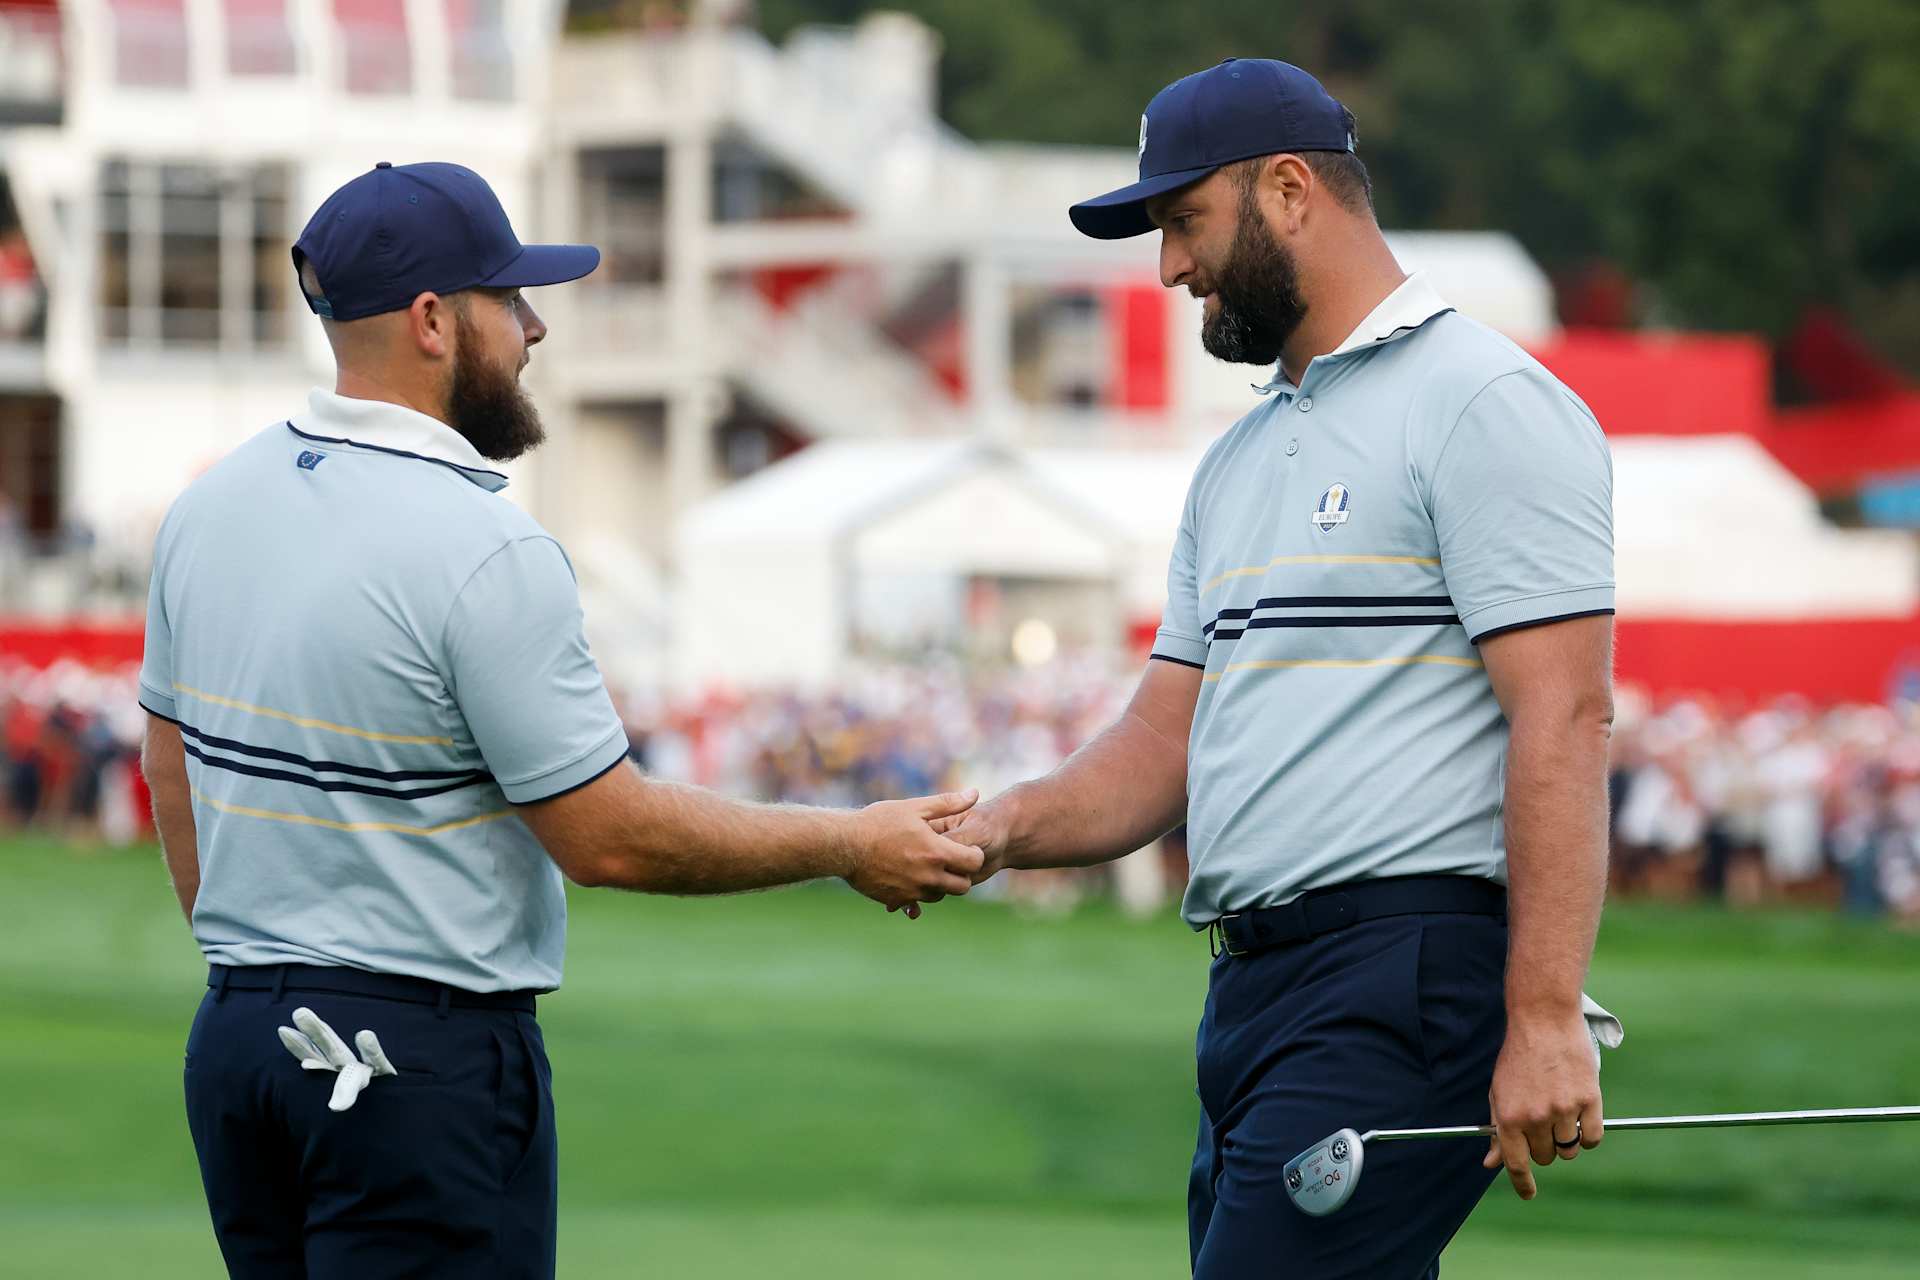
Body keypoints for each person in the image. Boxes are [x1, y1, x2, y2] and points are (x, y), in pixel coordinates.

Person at [137, 161, 982, 1280]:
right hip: (412, 1059)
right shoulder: (486, 547)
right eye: (510, 300)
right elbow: (610, 835)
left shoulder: (211, 503)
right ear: (435, 321)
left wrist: (263, 958)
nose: (534, 327)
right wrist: (849, 841)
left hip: (241, 1044)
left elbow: (169, 763)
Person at [945, 60, 1616, 1277]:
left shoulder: (1483, 402)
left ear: (1290, 189)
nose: (1168, 268)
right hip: (1256, 995)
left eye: (1184, 221)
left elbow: (1563, 714)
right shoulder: (1241, 455)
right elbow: (1161, 745)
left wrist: (1545, 1012)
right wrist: (996, 830)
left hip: (1403, 975)